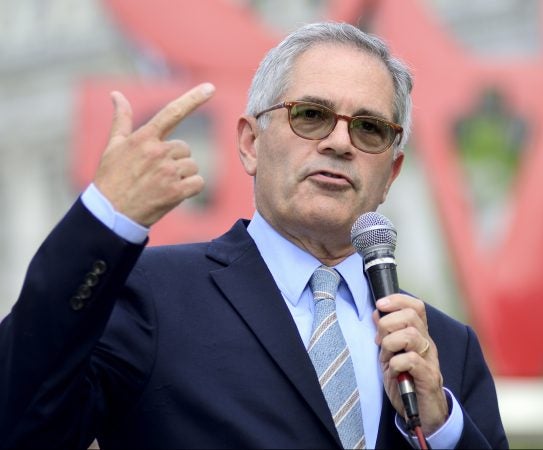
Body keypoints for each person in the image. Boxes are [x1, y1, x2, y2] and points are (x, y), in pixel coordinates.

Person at [0, 22, 507, 449]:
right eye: (311, 115)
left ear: (391, 174)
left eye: (369, 128)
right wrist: (103, 221)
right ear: (249, 144)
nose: (338, 142)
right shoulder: (152, 295)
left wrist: (441, 428)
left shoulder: (444, 345)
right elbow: (20, 420)